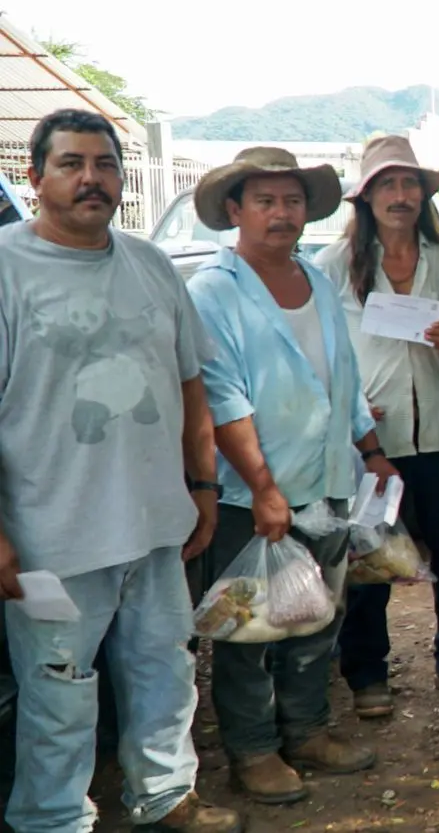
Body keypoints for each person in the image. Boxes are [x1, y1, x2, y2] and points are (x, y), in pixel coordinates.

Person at [0, 111, 239, 832]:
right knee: (59, 691)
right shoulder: (6, 268)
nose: (91, 179)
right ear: (35, 177)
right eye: (71, 164)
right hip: (50, 540)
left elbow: (191, 384)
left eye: (105, 165)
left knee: (166, 669)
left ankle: (164, 795)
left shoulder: (150, 264)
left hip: (156, 526)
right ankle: (52, 819)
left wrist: (203, 484)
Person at [189, 146, 399, 804]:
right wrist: (262, 488)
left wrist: (369, 449)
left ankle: (306, 730)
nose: (281, 214)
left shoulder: (315, 279)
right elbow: (222, 398)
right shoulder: (213, 291)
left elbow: (344, 376)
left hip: (328, 479)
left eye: (292, 201)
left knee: (315, 617)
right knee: (249, 629)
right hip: (253, 493)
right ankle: (253, 750)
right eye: (265, 201)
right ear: (235, 210)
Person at [314, 136, 439, 717]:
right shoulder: (334, 264)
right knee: (369, 558)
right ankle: (366, 673)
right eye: (387, 184)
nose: (400, 195)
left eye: (409, 184)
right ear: (366, 197)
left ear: (424, 195)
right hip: (371, 438)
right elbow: (318, 350)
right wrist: (349, 405)